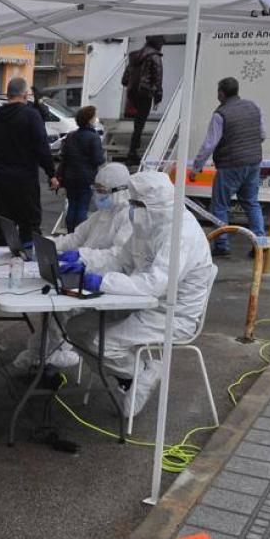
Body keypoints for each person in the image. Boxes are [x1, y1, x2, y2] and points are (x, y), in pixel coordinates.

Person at [68, 171, 215, 416]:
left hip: (171, 313)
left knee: (100, 342)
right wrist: (84, 261)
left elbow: (155, 284)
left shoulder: (181, 233)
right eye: (132, 203)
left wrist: (102, 282)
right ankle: (128, 379)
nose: (132, 209)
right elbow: (119, 259)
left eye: (137, 204)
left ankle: (143, 371)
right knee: (75, 328)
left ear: (156, 204)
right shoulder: (148, 223)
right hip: (141, 302)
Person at [12, 161, 134, 373]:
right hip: (84, 274)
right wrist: (47, 244)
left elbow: (118, 256)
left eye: (102, 191)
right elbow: (74, 238)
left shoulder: (129, 218)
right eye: (95, 189)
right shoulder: (101, 215)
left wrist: (81, 256)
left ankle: (47, 355)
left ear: (120, 191)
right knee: (53, 304)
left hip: (108, 282)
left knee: (62, 309)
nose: (97, 195)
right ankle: (41, 355)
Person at [0, 76, 59, 250]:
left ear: (8, 94)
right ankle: (28, 261)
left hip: (1, 180)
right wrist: (51, 173)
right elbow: (42, 148)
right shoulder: (31, 116)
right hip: (26, 181)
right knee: (29, 224)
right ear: (25, 94)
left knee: (3, 225)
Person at [193, 76, 267, 258]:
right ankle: (260, 243)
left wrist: (196, 167)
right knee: (251, 202)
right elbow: (262, 134)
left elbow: (209, 144)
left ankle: (222, 244)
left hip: (230, 165)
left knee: (220, 206)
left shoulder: (221, 114)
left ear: (221, 93)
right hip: (253, 162)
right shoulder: (253, 107)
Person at [57, 105, 105, 231]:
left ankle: (70, 232)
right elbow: (98, 159)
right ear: (89, 119)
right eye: (94, 117)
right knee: (82, 207)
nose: (96, 119)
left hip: (70, 176)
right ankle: (79, 233)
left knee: (72, 205)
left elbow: (64, 156)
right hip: (86, 177)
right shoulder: (93, 137)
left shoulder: (71, 136)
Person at [123, 35, 164, 165]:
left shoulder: (134, 56)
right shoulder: (155, 57)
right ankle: (132, 152)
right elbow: (158, 78)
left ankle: (133, 150)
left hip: (132, 92)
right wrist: (158, 96)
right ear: (157, 43)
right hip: (145, 93)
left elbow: (125, 79)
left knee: (138, 123)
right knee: (140, 124)